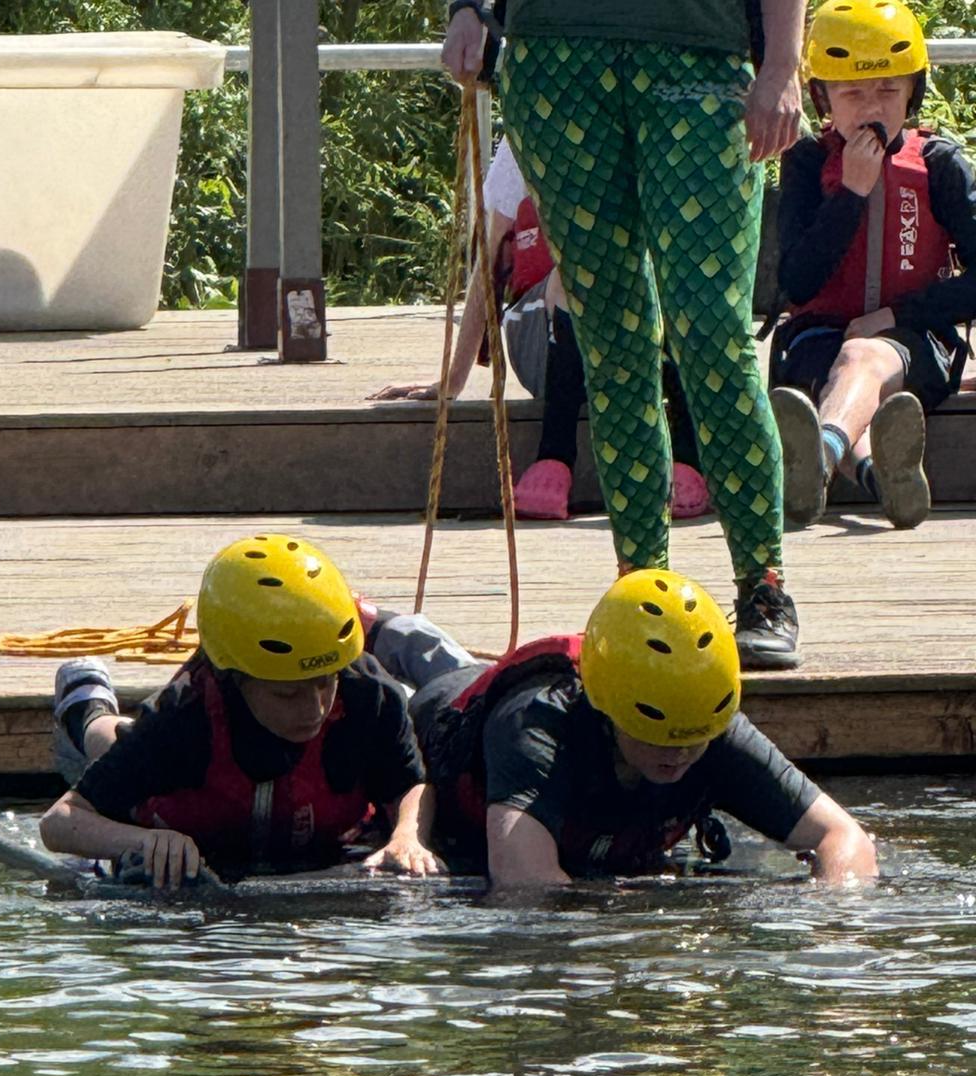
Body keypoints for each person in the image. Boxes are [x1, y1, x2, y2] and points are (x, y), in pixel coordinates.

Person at [442, 0, 808, 669]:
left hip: (700, 56)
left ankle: (764, 588)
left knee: (712, 328)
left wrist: (783, 63)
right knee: (610, 336)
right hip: (555, 58)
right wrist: (466, 8)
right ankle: (642, 591)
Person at [399, 568, 877, 887]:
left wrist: (831, 913)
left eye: (694, 740)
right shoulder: (534, 725)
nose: (680, 754)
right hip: (437, 711)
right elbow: (523, 882)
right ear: (607, 710)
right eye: (656, 738)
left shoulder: (711, 722)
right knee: (411, 655)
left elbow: (844, 838)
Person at [38, 536, 441, 888]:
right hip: (187, 804)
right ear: (236, 680)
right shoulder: (184, 715)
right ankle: (85, 703)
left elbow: (409, 783)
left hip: (292, 831)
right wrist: (145, 841)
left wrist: (408, 836)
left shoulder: (369, 692)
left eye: (324, 684)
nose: (315, 708)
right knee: (112, 742)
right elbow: (60, 822)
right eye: (287, 694)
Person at [371, 137, 710, 522]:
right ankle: (554, 458)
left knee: (661, 269)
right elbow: (488, 262)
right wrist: (453, 380)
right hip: (543, 332)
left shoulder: (651, 124)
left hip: (636, 343)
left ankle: (688, 461)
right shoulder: (526, 132)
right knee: (577, 267)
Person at [769, 0, 976, 531]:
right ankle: (876, 476)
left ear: (912, 92)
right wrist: (851, 194)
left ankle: (819, 455)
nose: (871, 108)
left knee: (862, 354)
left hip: (915, 341)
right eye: (852, 93)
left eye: (887, 90)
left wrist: (895, 315)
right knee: (838, 372)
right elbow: (797, 282)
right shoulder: (808, 162)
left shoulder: (940, 164)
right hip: (817, 340)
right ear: (823, 97)